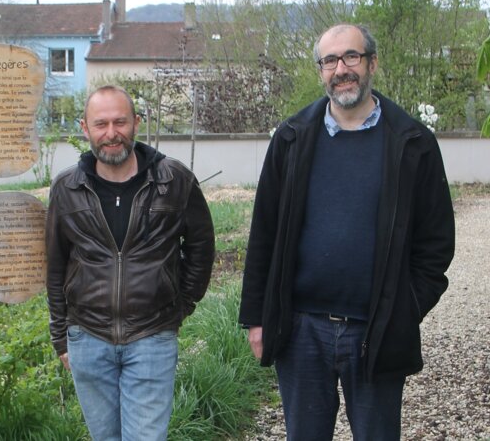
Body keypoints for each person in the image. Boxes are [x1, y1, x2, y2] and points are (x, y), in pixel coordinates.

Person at [239, 24, 455, 440]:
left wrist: (405, 308)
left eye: (351, 57)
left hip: (377, 329)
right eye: (331, 61)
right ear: (321, 71)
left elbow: (437, 241)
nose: (342, 69)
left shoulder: (412, 142)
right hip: (302, 330)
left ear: (372, 63)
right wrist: (255, 318)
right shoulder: (291, 139)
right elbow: (264, 232)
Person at [46, 85, 215, 441]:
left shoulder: (174, 180)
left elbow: (200, 246)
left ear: (137, 122)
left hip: (152, 336)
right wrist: (61, 336)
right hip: (87, 337)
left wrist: (181, 306)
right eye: (101, 124)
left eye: (120, 122)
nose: (111, 133)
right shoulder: (66, 188)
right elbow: (56, 264)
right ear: (85, 128)